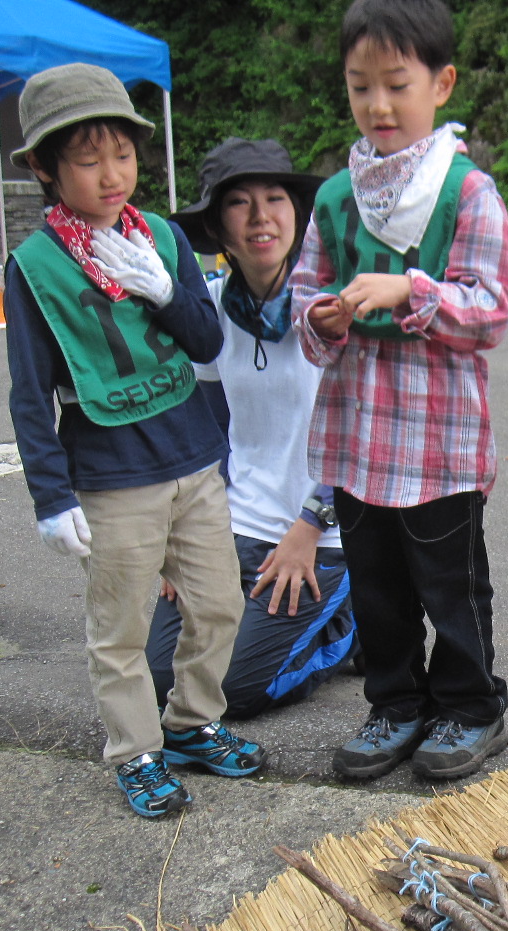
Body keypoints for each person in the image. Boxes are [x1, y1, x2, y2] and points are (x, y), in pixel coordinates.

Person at [4, 64, 265, 820]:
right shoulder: (35, 268)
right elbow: (29, 391)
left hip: (194, 456)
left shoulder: (164, 238)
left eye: (122, 154)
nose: (113, 175)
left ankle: (191, 724)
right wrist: (50, 497)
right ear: (46, 169)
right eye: (89, 161)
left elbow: (206, 340)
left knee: (219, 604)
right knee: (119, 629)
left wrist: (165, 287)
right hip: (112, 475)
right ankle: (135, 752)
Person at [292, 0, 508, 781]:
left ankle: (472, 709)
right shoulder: (334, 198)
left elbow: (491, 310)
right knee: (377, 588)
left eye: (397, 84)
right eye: (361, 87)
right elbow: (303, 298)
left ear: (441, 84)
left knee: (452, 588)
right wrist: (322, 317)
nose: (378, 105)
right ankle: (395, 704)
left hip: (440, 442)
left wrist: (410, 289)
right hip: (357, 438)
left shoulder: (467, 192)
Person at [160, 138, 357, 718]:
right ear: (217, 227)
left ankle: (355, 623)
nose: (260, 217)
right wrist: (185, 534)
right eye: (239, 203)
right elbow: (209, 432)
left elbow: (359, 434)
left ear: (298, 215)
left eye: (274, 198)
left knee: (235, 690)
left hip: (321, 532)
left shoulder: (331, 308)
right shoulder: (211, 309)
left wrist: (309, 526)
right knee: (161, 678)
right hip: (235, 525)